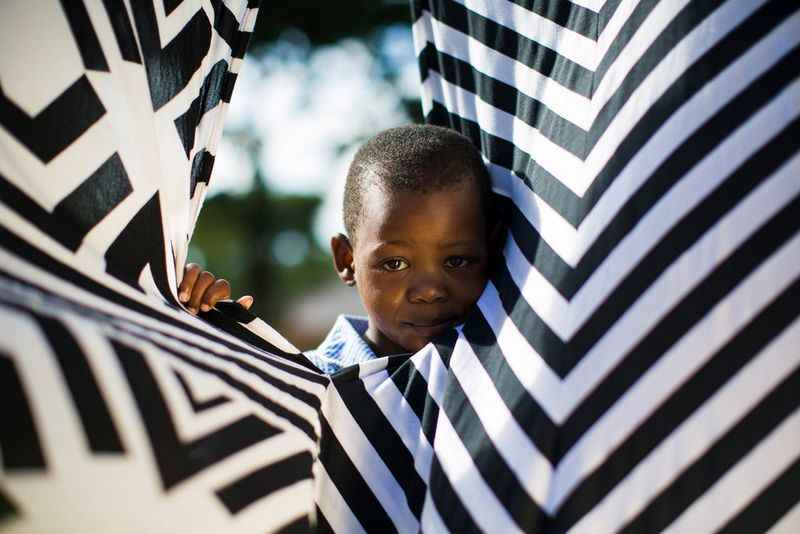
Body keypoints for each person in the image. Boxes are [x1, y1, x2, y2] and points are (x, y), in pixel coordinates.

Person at [179, 124, 503, 374]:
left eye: (457, 260)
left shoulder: (505, 373)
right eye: (394, 264)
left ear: (490, 250)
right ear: (347, 261)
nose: (430, 291)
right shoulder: (305, 385)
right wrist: (189, 330)